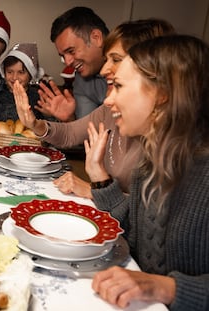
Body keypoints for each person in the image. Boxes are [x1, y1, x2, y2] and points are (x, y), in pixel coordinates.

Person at [85, 35, 209, 310]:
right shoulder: (150, 164)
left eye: (118, 86)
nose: (108, 100)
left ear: (162, 94)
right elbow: (135, 233)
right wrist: (99, 177)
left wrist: (166, 287)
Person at [14, 19, 175, 198]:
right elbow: (70, 133)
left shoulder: (172, 136)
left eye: (116, 60)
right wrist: (34, 124)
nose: (104, 69)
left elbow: (149, 211)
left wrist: (95, 190)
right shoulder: (110, 108)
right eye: (107, 60)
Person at [36, 6, 109, 121]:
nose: (67, 62)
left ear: (96, 38)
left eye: (71, 51)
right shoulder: (81, 80)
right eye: (62, 56)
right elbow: (85, 129)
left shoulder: (137, 65)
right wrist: (69, 118)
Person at [0, 42, 46, 121]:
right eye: (9, 72)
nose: (14, 77)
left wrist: (48, 115)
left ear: (30, 75)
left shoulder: (38, 96)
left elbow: (49, 124)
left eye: (21, 72)